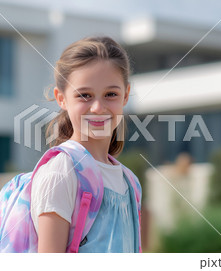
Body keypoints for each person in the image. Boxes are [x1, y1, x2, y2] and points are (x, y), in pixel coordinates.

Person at [30, 36, 142, 253]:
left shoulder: (130, 183)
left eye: (111, 94)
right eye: (84, 95)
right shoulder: (61, 172)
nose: (98, 107)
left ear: (126, 95)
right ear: (61, 98)